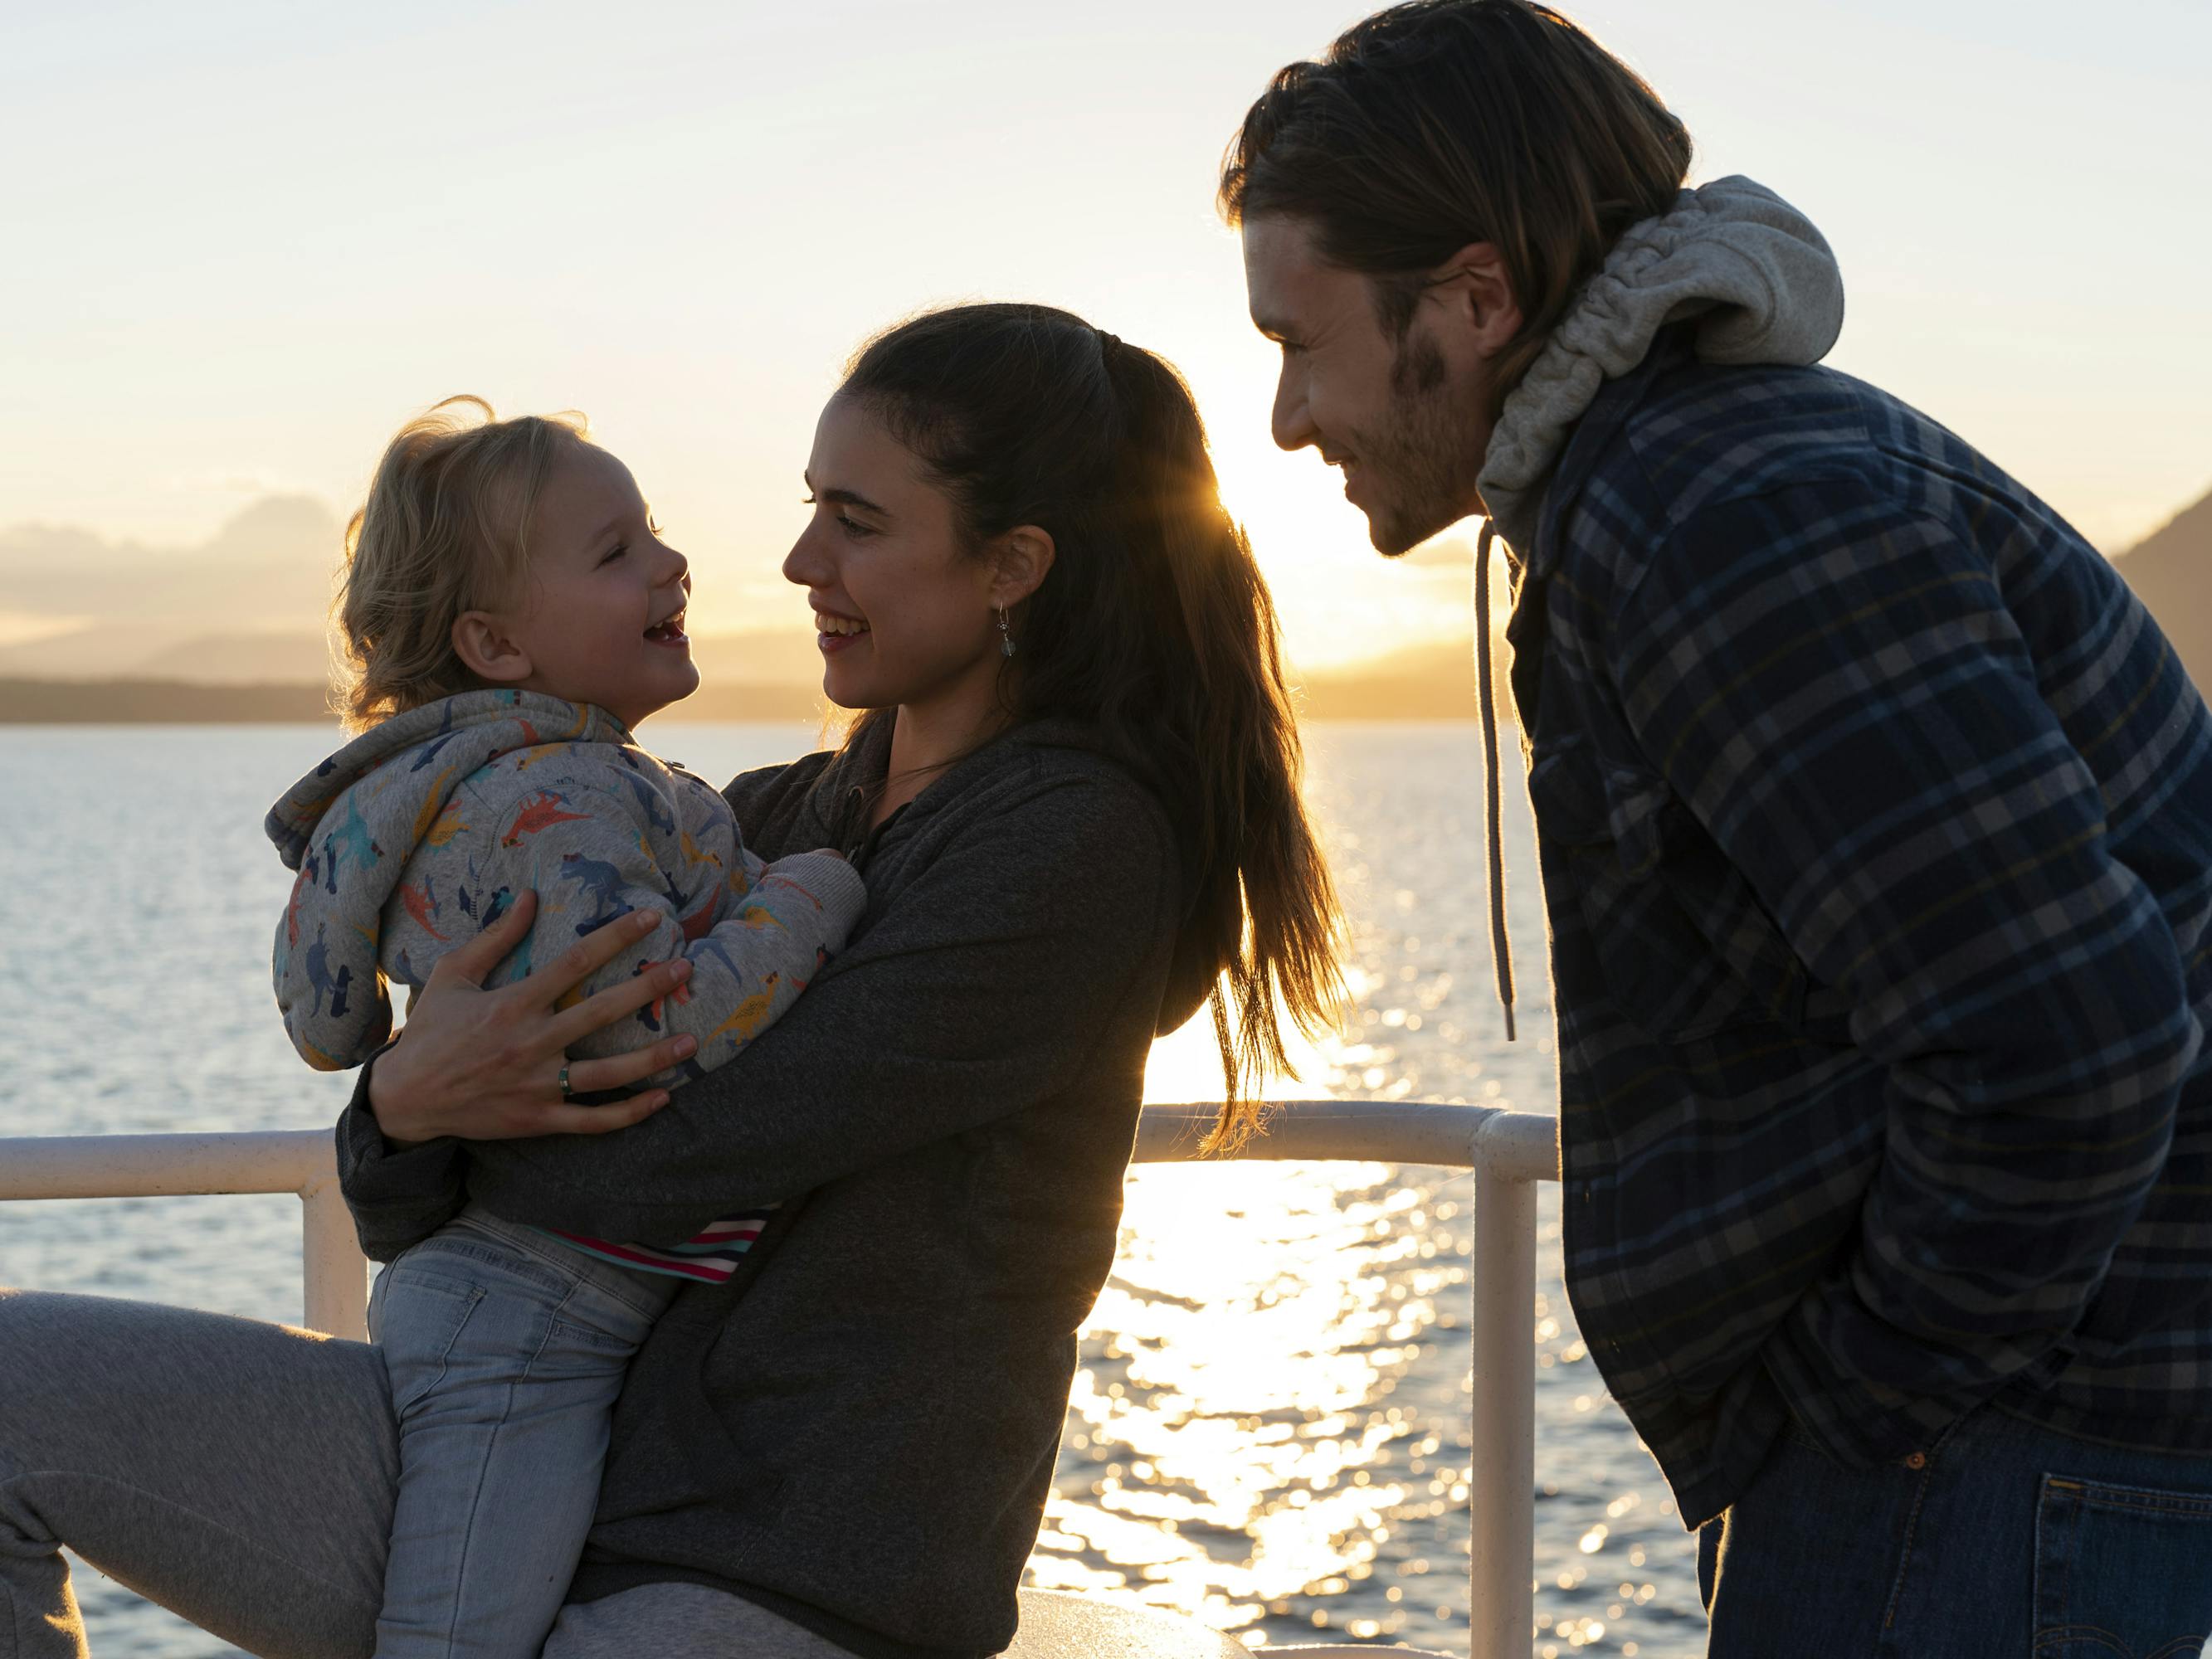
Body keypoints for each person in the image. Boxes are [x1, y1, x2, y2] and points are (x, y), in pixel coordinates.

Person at [0, 304, 1345, 1658]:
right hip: (526, 1452)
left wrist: (442, 1111)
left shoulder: (1069, 845)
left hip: (773, 1564)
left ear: (1011, 564)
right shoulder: (764, 816)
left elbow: (665, 1155)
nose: (797, 558)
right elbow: (410, 1204)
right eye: (811, 507)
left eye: (857, 524)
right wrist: (403, 1102)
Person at [1223, 2, 2212, 1653]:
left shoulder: (1720, 508)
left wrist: (1863, 1397)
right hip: (2005, 1442)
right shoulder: (1688, 479)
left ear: (1474, 300)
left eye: (1297, 340)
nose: (1283, 416)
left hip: (1991, 1454)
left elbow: (2068, 1036)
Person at [266, 397, 868, 1657]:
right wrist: (815, 891)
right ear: (495, 643)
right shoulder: (569, 793)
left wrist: (387, 1075)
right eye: (615, 554)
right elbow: (665, 1030)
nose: (670, 564)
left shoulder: (399, 799)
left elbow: (323, 1017)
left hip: (495, 1298)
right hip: (533, 1328)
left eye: (650, 532)